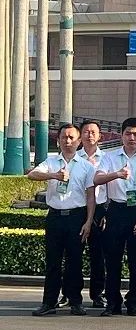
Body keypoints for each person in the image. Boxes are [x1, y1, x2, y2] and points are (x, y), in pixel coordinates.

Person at [29, 124, 97, 316]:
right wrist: (54, 175)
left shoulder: (86, 166)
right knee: (53, 262)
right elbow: (31, 175)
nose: (68, 141)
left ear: (79, 141)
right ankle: (49, 302)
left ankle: (75, 302)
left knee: (75, 261)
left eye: (71, 138)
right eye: (64, 137)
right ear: (58, 140)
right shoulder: (51, 162)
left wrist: (88, 221)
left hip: (76, 217)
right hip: (55, 217)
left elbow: (90, 196)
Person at [94, 118, 136, 316]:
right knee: (112, 259)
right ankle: (112, 302)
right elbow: (97, 179)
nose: (132, 138)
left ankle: (134, 301)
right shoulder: (110, 157)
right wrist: (116, 174)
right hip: (116, 210)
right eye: (128, 134)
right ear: (122, 135)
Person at [76, 120, 106, 308]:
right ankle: (71, 294)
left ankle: (98, 294)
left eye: (93, 132)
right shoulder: (74, 157)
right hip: (78, 208)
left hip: (100, 209)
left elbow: (112, 187)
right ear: (80, 136)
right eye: (86, 132)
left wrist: (108, 212)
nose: (90, 135)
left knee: (98, 255)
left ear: (100, 136)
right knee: (74, 254)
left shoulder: (108, 158)